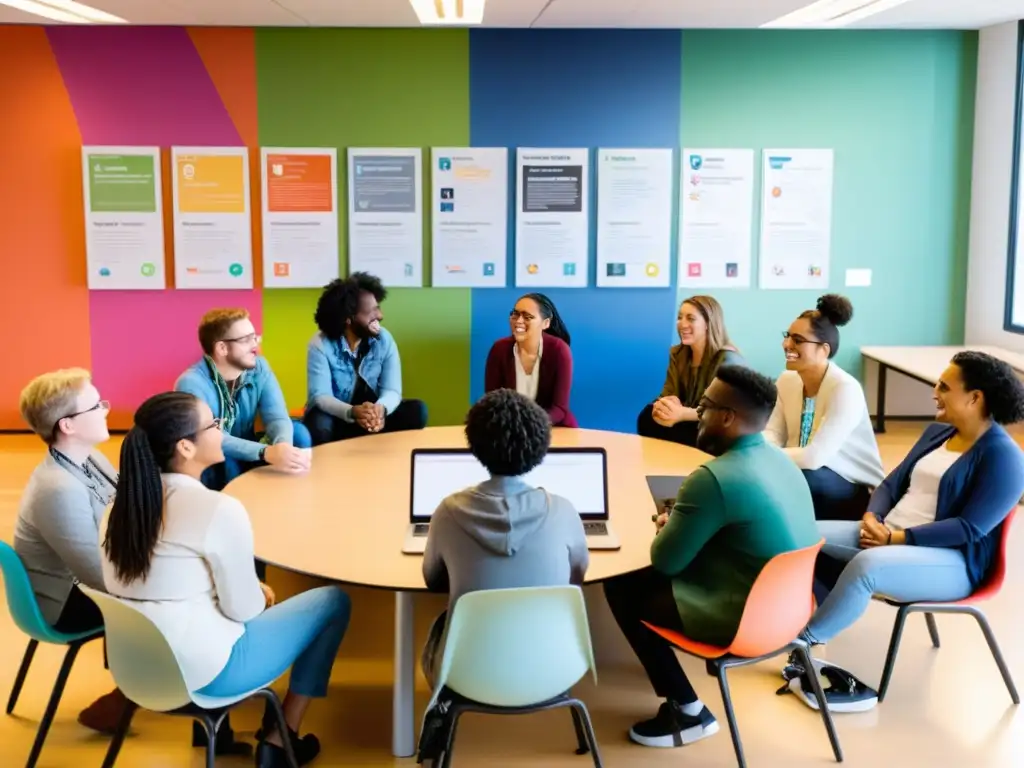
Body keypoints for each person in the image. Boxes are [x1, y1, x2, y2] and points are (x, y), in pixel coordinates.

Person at [100, 392, 351, 768]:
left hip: (135, 670)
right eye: (214, 424)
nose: (222, 429)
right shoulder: (218, 509)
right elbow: (244, 609)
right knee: (333, 601)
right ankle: (281, 738)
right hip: (206, 675)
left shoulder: (116, 510)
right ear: (186, 446)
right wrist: (258, 594)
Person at [604, 365, 819, 748]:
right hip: (791, 611)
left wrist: (670, 528)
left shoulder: (712, 477)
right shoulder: (781, 463)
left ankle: (687, 710)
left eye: (703, 407)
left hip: (743, 618)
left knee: (621, 585)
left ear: (727, 417)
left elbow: (666, 561)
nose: (697, 414)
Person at [796, 351, 1024, 651]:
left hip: (953, 562)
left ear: (974, 398)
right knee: (797, 537)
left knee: (868, 566)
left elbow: (969, 529)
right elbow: (892, 483)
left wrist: (896, 538)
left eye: (944, 387)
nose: (935, 393)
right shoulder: (938, 433)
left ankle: (805, 642)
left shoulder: (1004, 456)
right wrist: (872, 518)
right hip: (887, 533)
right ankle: (804, 614)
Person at [419, 388, 589, 687]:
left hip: (465, 674)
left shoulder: (447, 513)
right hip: (554, 669)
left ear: (474, 444)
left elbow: (433, 580)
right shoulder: (564, 511)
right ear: (540, 445)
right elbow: (576, 576)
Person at [13, 369, 127, 733]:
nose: (107, 410)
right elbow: (100, 577)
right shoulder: (58, 488)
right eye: (96, 405)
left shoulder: (88, 459)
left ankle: (134, 687)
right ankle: (136, 692)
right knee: (167, 600)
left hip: (82, 580)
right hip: (62, 602)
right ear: (68, 426)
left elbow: (124, 507)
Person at [764, 294, 884, 520]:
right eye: (787, 336)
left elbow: (814, 457)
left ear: (824, 350)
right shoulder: (787, 379)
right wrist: (764, 455)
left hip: (849, 483)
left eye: (798, 340)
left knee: (797, 479)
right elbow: (772, 432)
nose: (787, 344)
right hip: (799, 471)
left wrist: (765, 456)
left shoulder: (846, 388)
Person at [174, 308, 312, 491]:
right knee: (225, 458)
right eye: (246, 340)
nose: (254, 345)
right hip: (215, 456)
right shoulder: (191, 383)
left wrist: (283, 447)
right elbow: (212, 439)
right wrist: (265, 452)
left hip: (250, 449)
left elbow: (277, 416)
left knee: (298, 432)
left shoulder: (259, 367)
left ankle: (286, 493)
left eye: (255, 337)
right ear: (222, 348)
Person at [303, 273, 428, 444]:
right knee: (318, 423)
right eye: (371, 311)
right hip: (340, 418)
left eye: (378, 307)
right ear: (348, 319)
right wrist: (353, 412)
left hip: (374, 416)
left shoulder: (385, 340)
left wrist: (380, 410)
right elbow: (321, 396)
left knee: (417, 411)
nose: (380, 315)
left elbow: (392, 390)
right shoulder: (320, 344)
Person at [637, 295, 743, 446]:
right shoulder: (678, 354)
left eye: (690, 318)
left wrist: (682, 414)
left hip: (713, 423)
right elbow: (669, 393)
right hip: (686, 418)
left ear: (708, 323)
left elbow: (723, 412)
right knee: (647, 416)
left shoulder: (728, 359)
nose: (682, 324)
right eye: (680, 318)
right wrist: (666, 404)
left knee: (695, 430)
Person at [484, 293, 577, 427]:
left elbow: (559, 409)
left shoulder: (559, 350)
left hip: (553, 428)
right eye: (515, 314)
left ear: (545, 323)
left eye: (527, 317)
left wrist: (528, 424)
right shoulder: (499, 349)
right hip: (509, 428)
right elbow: (492, 401)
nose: (518, 321)